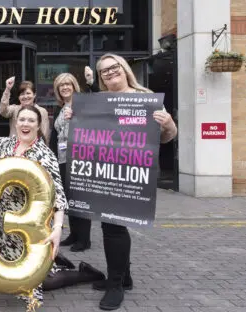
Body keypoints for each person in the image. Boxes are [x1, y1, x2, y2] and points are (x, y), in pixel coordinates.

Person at [0, 96, 105, 307]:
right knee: (13, 266)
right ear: (16, 123)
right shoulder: (8, 144)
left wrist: (58, 227)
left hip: (33, 224)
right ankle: (56, 264)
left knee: (40, 280)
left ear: (38, 124)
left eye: (31, 120)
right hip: (7, 220)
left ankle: (84, 274)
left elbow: (58, 193)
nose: (25, 124)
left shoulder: (44, 154)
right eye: (21, 119)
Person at [93, 53, 177, 311]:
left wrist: (168, 124)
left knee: (114, 227)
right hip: (106, 170)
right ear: (100, 78)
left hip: (133, 173)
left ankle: (116, 285)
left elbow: (167, 137)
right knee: (115, 225)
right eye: (104, 71)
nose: (110, 73)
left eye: (114, 67)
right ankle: (123, 277)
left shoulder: (145, 97)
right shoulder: (97, 101)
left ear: (124, 68)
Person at [53, 73, 92, 252]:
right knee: (70, 199)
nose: (65, 87)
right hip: (63, 159)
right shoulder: (61, 108)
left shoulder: (83, 104)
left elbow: (94, 125)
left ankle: (84, 240)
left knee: (81, 199)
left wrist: (77, 117)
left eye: (68, 84)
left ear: (74, 85)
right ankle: (74, 234)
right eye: (61, 85)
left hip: (80, 158)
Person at [0, 77, 50, 141]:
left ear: (34, 95)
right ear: (19, 97)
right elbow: (2, 111)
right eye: (22, 94)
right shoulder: (14, 109)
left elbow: (45, 133)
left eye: (28, 93)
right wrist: (8, 89)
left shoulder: (42, 111)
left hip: (34, 148)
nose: (25, 97)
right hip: (15, 147)